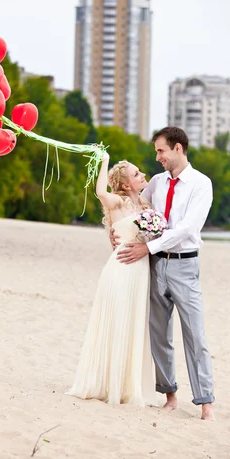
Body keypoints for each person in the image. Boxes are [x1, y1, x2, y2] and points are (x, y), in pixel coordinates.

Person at [111, 127, 215, 421]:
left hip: (184, 264)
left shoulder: (200, 184)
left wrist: (148, 247)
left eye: (161, 151)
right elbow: (131, 207)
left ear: (178, 149)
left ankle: (206, 402)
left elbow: (187, 228)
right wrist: (115, 231)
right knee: (159, 333)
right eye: (157, 151)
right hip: (155, 266)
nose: (157, 157)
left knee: (195, 333)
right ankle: (169, 395)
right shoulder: (156, 182)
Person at [66, 153, 158, 406]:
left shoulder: (145, 206)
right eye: (137, 174)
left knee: (134, 322)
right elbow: (100, 193)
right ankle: (109, 384)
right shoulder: (117, 201)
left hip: (140, 271)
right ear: (126, 184)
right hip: (120, 269)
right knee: (117, 321)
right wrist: (104, 161)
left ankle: (129, 386)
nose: (142, 176)